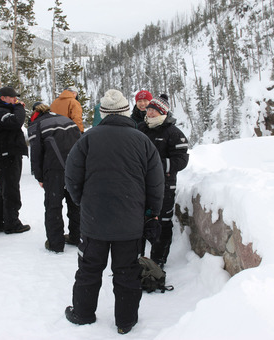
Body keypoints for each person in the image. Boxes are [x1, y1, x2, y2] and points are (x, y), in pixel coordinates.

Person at [64, 89, 164, 334]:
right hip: (129, 222)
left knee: (89, 268)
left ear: (104, 113)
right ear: (126, 111)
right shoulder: (142, 141)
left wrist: (83, 202)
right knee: (127, 272)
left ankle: (83, 314)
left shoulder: (87, 138)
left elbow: (72, 177)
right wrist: (151, 213)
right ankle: (126, 322)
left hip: (94, 220)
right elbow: (156, 183)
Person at [138, 94, 189, 267]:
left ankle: (157, 261)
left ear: (163, 112)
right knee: (138, 220)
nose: (150, 113)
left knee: (162, 222)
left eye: (154, 110)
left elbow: (182, 160)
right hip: (140, 185)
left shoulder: (173, 133)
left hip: (165, 186)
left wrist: (157, 165)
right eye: (149, 109)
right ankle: (135, 259)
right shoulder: (140, 128)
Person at [27, 102, 81, 253]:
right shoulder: (66, 120)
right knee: (75, 203)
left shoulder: (36, 125)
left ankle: (55, 243)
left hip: (53, 170)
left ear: (34, 113)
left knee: (53, 206)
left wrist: (39, 176)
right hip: (74, 167)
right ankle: (77, 236)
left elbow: (36, 153)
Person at [0, 86, 30, 234]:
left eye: (16, 98)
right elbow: (16, 122)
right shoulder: (0, 112)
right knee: (11, 190)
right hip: (6, 154)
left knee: (4, 188)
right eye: (12, 98)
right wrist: (19, 107)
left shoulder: (4, 110)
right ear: (3, 98)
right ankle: (12, 223)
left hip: (7, 153)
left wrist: (16, 107)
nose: (15, 100)